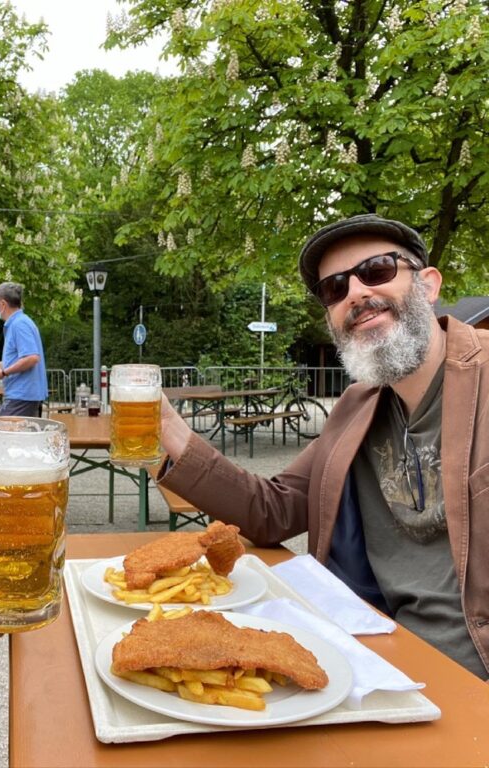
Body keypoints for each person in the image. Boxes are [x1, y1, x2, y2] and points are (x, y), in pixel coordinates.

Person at [158, 214, 489, 680]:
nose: (355, 292)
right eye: (334, 288)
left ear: (428, 285)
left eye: (377, 270)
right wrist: (174, 435)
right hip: (377, 665)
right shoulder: (356, 408)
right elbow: (272, 511)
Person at [0, 281, 48, 417]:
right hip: (24, 395)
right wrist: (1, 364)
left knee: (0, 433)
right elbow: (23, 357)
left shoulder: (19, 324)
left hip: (22, 395)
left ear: (3, 304)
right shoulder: (20, 322)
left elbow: (32, 358)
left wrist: (3, 372)